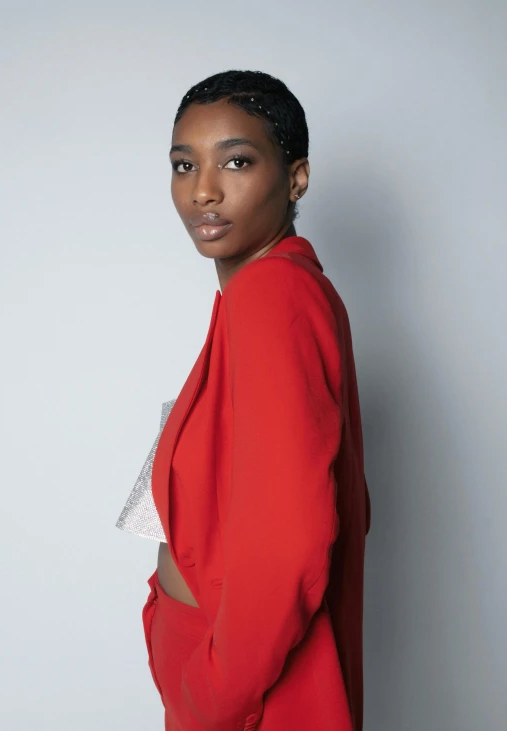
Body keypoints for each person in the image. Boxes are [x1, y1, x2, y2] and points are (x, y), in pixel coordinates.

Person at [122, 69, 371, 731]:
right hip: (217, 666)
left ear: (295, 178)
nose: (203, 189)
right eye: (184, 164)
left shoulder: (272, 297)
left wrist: (213, 693)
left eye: (236, 161)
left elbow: (293, 534)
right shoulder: (263, 294)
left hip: (241, 695)